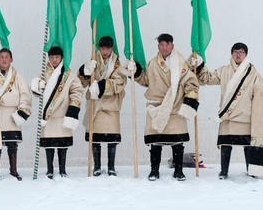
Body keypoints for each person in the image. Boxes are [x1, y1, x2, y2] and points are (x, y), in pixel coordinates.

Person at [190, 42, 263, 179]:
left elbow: (261, 93)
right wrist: (199, 65)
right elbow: (207, 78)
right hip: (228, 117)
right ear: (232, 54)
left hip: (245, 117)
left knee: (247, 146)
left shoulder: (253, 74)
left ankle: (251, 170)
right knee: (226, 145)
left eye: (241, 52)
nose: (238, 55)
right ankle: (224, 171)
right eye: (235, 52)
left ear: (246, 55)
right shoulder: (224, 70)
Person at [133, 34, 199, 181]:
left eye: (166, 45)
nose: (164, 48)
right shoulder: (152, 64)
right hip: (156, 106)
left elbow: (190, 82)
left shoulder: (181, 63)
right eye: (161, 45)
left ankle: (178, 170)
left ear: (172, 45)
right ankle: (154, 171)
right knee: (155, 143)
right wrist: (136, 71)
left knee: (177, 143)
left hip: (175, 107)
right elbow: (145, 81)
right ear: (158, 46)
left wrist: (190, 100)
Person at [31, 46, 83, 178]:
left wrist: (73, 108)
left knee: (62, 145)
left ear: (61, 58)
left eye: (57, 57)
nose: (54, 60)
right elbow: (35, 91)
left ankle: (62, 169)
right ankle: (49, 169)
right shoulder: (43, 72)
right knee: (49, 145)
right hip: (48, 116)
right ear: (48, 58)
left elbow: (77, 90)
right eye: (52, 57)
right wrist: (38, 86)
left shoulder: (69, 75)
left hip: (62, 114)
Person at [78, 36, 127, 176]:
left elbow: (120, 83)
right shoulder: (93, 62)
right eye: (102, 48)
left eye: (108, 48)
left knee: (112, 138)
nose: (105, 51)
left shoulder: (118, 65)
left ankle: (111, 166)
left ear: (112, 48)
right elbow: (81, 82)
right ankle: (97, 166)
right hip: (95, 105)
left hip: (111, 106)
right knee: (95, 138)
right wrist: (85, 71)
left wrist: (102, 85)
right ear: (99, 48)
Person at [0, 48, 32, 181]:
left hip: (12, 114)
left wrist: (22, 110)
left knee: (12, 145)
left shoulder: (17, 76)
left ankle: (13, 170)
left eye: (7, 57)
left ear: (11, 60)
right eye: (1, 57)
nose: (4, 59)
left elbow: (25, 94)